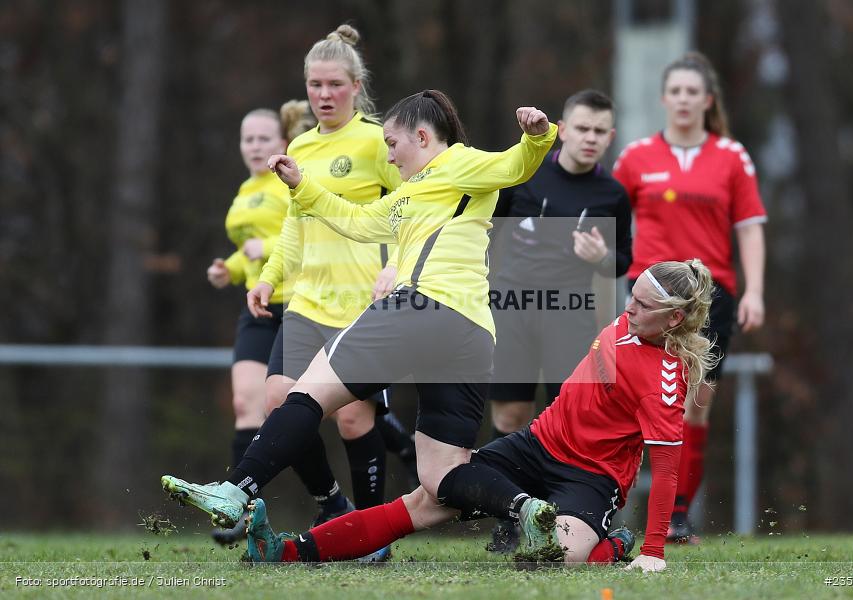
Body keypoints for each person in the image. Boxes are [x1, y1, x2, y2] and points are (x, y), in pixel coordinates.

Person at [161, 91, 560, 561]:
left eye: (393, 143)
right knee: (441, 474)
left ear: (422, 135)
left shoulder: (459, 162)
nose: (388, 154)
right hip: (471, 333)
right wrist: (302, 186)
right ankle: (525, 507)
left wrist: (537, 136)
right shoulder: (411, 191)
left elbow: (514, 165)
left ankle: (235, 489)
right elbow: (356, 220)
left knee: (308, 392)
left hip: (420, 306)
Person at [238, 259, 716, 574]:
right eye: (631, 296)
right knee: (424, 500)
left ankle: (613, 546)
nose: (628, 307)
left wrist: (654, 553)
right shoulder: (628, 321)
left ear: (673, 320)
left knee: (554, 559)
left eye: (643, 305)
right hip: (535, 445)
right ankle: (287, 550)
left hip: (591, 477)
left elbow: (668, 469)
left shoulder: (665, 380)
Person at [212, 26, 416, 555]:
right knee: (278, 401)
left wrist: (396, 267)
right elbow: (293, 226)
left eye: (333, 84)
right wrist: (267, 277)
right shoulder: (299, 146)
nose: (323, 95)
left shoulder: (377, 142)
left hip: (361, 304)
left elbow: (413, 214)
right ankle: (331, 502)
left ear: (356, 85)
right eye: (314, 85)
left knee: (352, 416)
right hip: (305, 301)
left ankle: (375, 533)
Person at [612, 51, 766, 542]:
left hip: (711, 297)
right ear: (664, 99)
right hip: (650, 294)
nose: (682, 99)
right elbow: (607, 217)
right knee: (635, 401)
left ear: (706, 100)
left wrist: (755, 291)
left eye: (691, 92)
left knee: (695, 403)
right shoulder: (636, 156)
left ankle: (677, 515)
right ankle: (606, 503)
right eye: (674, 91)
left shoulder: (731, 156)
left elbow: (750, 228)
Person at [486, 89, 633, 552]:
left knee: (566, 420)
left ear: (609, 137)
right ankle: (510, 516)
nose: (590, 138)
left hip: (569, 316)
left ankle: (558, 519)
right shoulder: (525, 174)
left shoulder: (612, 194)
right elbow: (486, 231)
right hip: (510, 310)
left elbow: (622, 261)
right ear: (563, 131)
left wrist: (602, 255)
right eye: (582, 129)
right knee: (510, 415)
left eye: (599, 132)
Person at [203, 103, 315, 545]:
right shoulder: (245, 189)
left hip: (297, 303)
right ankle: (238, 511)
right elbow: (246, 250)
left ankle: (332, 501)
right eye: (247, 139)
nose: (254, 146)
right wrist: (228, 269)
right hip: (257, 306)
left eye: (263, 138)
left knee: (291, 407)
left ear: (282, 142)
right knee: (245, 403)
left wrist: (263, 245)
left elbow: (306, 233)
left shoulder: (291, 180)